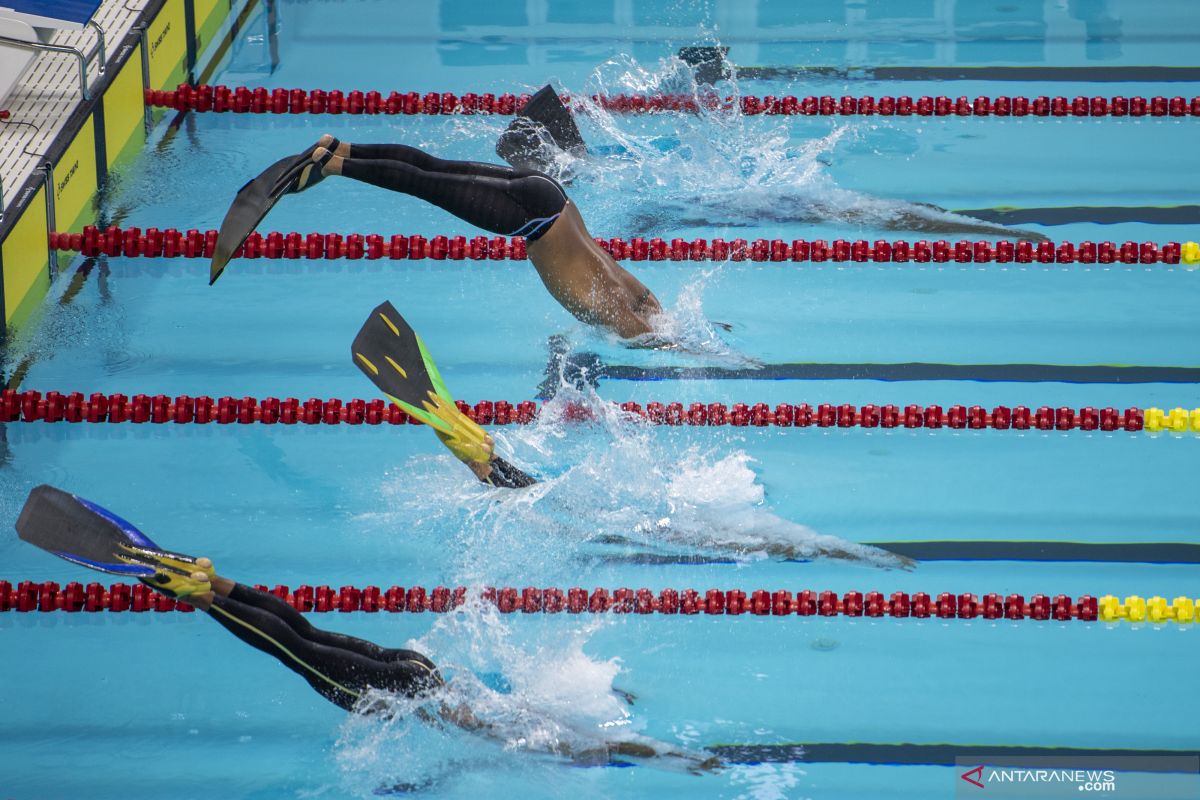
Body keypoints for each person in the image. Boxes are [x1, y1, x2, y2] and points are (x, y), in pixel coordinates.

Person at [14, 484, 719, 773]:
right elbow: (586, 747)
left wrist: (661, 753)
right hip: (395, 688)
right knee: (293, 649)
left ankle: (210, 581)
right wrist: (671, 760)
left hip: (412, 667)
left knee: (301, 630)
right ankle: (194, 588)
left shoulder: (530, 711)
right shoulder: (537, 734)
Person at [210, 127, 663, 341]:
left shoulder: (631, 291)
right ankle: (334, 164)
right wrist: (675, 348)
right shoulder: (620, 317)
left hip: (551, 197)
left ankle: (339, 147)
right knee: (425, 184)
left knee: (432, 168)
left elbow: (649, 305)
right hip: (533, 219)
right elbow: (642, 329)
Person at [351, 299, 535, 489]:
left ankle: (479, 462)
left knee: (485, 461)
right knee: (524, 486)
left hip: (458, 430)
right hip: (454, 422)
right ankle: (483, 461)